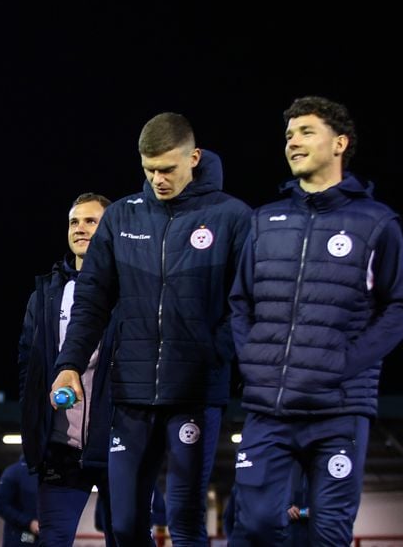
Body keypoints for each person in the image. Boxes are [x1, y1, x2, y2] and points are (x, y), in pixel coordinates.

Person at [52, 113, 251, 546]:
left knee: (184, 520)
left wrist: (216, 355)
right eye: (149, 170)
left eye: (167, 169)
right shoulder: (121, 217)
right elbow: (92, 301)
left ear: (193, 157)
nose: (158, 179)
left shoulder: (232, 217)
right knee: (122, 524)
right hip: (132, 395)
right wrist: (69, 363)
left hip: (195, 395)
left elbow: (246, 304)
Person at [228, 96, 403, 546]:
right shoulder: (264, 221)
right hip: (269, 408)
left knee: (328, 532)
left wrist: (342, 364)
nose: (293, 142)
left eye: (306, 132)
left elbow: (400, 309)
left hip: (339, 409)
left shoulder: (376, 223)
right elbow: (239, 301)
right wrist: (252, 360)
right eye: (289, 135)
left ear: (340, 143)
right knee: (252, 525)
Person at [18, 193, 114, 546]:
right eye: (74, 221)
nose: (80, 228)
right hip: (60, 444)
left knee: (128, 534)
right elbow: (28, 362)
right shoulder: (46, 293)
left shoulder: (129, 288)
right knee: (53, 539)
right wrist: (34, 421)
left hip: (116, 440)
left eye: (91, 221)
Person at [0, 457, 41, 546]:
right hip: (20, 538)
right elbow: (0, 504)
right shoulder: (14, 472)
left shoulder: (49, 474)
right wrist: (29, 523)